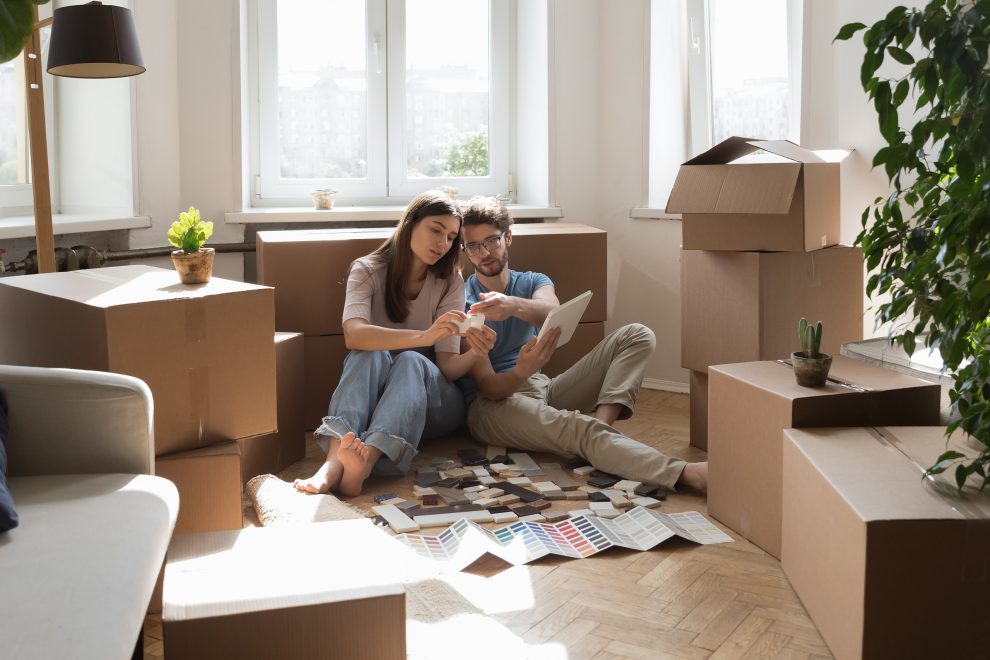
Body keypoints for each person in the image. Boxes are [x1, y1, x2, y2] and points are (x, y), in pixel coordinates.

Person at [458, 197, 708, 492]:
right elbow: (488, 386)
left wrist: (512, 306)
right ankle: (685, 474)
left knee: (637, 334)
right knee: (577, 427)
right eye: (473, 246)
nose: (484, 253)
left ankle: (602, 432)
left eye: (491, 241)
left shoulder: (533, 281)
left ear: (508, 237)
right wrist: (520, 372)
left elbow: (551, 310)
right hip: (494, 405)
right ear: (465, 251)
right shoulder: (463, 301)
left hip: (543, 388)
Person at [294, 191, 493, 496]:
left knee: (411, 361)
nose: (443, 243)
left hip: (433, 405)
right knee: (366, 353)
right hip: (378, 402)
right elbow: (354, 335)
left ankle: (365, 463)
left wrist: (475, 355)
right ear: (410, 224)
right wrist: (424, 337)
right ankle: (334, 464)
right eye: (436, 229)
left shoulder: (449, 281)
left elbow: (448, 370)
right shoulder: (366, 270)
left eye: (452, 237)